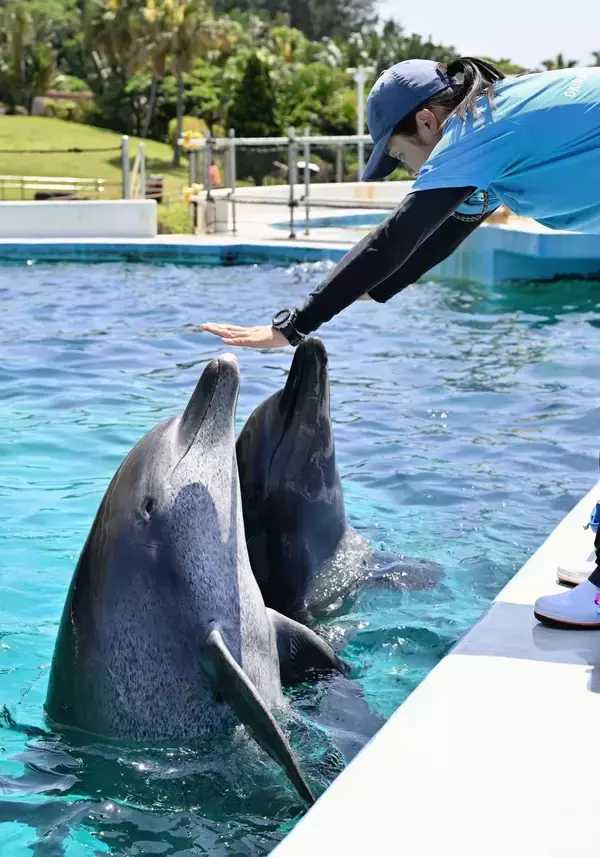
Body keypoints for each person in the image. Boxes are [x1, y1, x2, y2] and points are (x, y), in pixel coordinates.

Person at [202, 56, 600, 629]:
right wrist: (356, 295)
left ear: (426, 122)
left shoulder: (477, 131)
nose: (407, 169)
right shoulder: (496, 131)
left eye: (399, 154)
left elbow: (394, 238)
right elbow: (427, 249)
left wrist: (292, 325)